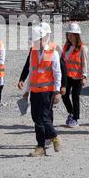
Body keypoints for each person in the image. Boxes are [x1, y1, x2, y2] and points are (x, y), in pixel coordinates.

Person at [26, 26, 62, 157]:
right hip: (35, 90)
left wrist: (57, 91)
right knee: (36, 118)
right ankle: (41, 146)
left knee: (45, 117)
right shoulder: (33, 52)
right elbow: (31, 71)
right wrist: (26, 90)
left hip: (48, 91)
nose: (35, 43)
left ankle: (53, 136)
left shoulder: (53, 52)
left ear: (43, 39)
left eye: (37, 40)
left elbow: (57, 73)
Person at [62, 22, 88, 128]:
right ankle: (71, 113)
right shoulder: (66, 46)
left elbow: (84, 63)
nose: (69, 36)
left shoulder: (83, 48)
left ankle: (75, 119)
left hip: (77, 77)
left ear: (77, 35)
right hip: (67, 76)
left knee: (75, 97)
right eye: (68, 34)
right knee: (64, 95)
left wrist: (84, 76)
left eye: (72, 34)